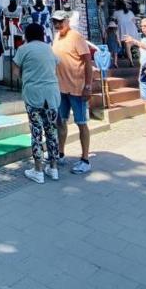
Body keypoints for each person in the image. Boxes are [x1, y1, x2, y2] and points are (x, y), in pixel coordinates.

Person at [13, 23, 61, 184]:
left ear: (27, 34)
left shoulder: (23, 49)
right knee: (52, 131)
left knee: (36, 131)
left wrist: (27, 76)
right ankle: (54, 168)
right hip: (52, 95)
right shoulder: (49, 48)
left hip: (33, 95)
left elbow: (15, 72)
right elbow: (56, 65)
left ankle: (38, 169)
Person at [51, 9, 95, 173]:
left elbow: (88, 62)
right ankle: (60, 153)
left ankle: (85, 159)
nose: (57, 25)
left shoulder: (76, 36)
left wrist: (88, 86)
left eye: (60, 21)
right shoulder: (56, 37)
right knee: (60, 121)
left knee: (81, 123)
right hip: (60, 88)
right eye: (55, 21)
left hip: (77, 88)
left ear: (67, 21)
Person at [112, 0, 140, 65]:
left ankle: (131, 61)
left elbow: (113, 21)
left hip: (123, 29)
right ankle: (137, 59)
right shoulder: (130, 12)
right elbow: (134, 21)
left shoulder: (116, 12)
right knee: (132, 44)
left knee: (127, 46)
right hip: (132, 28)